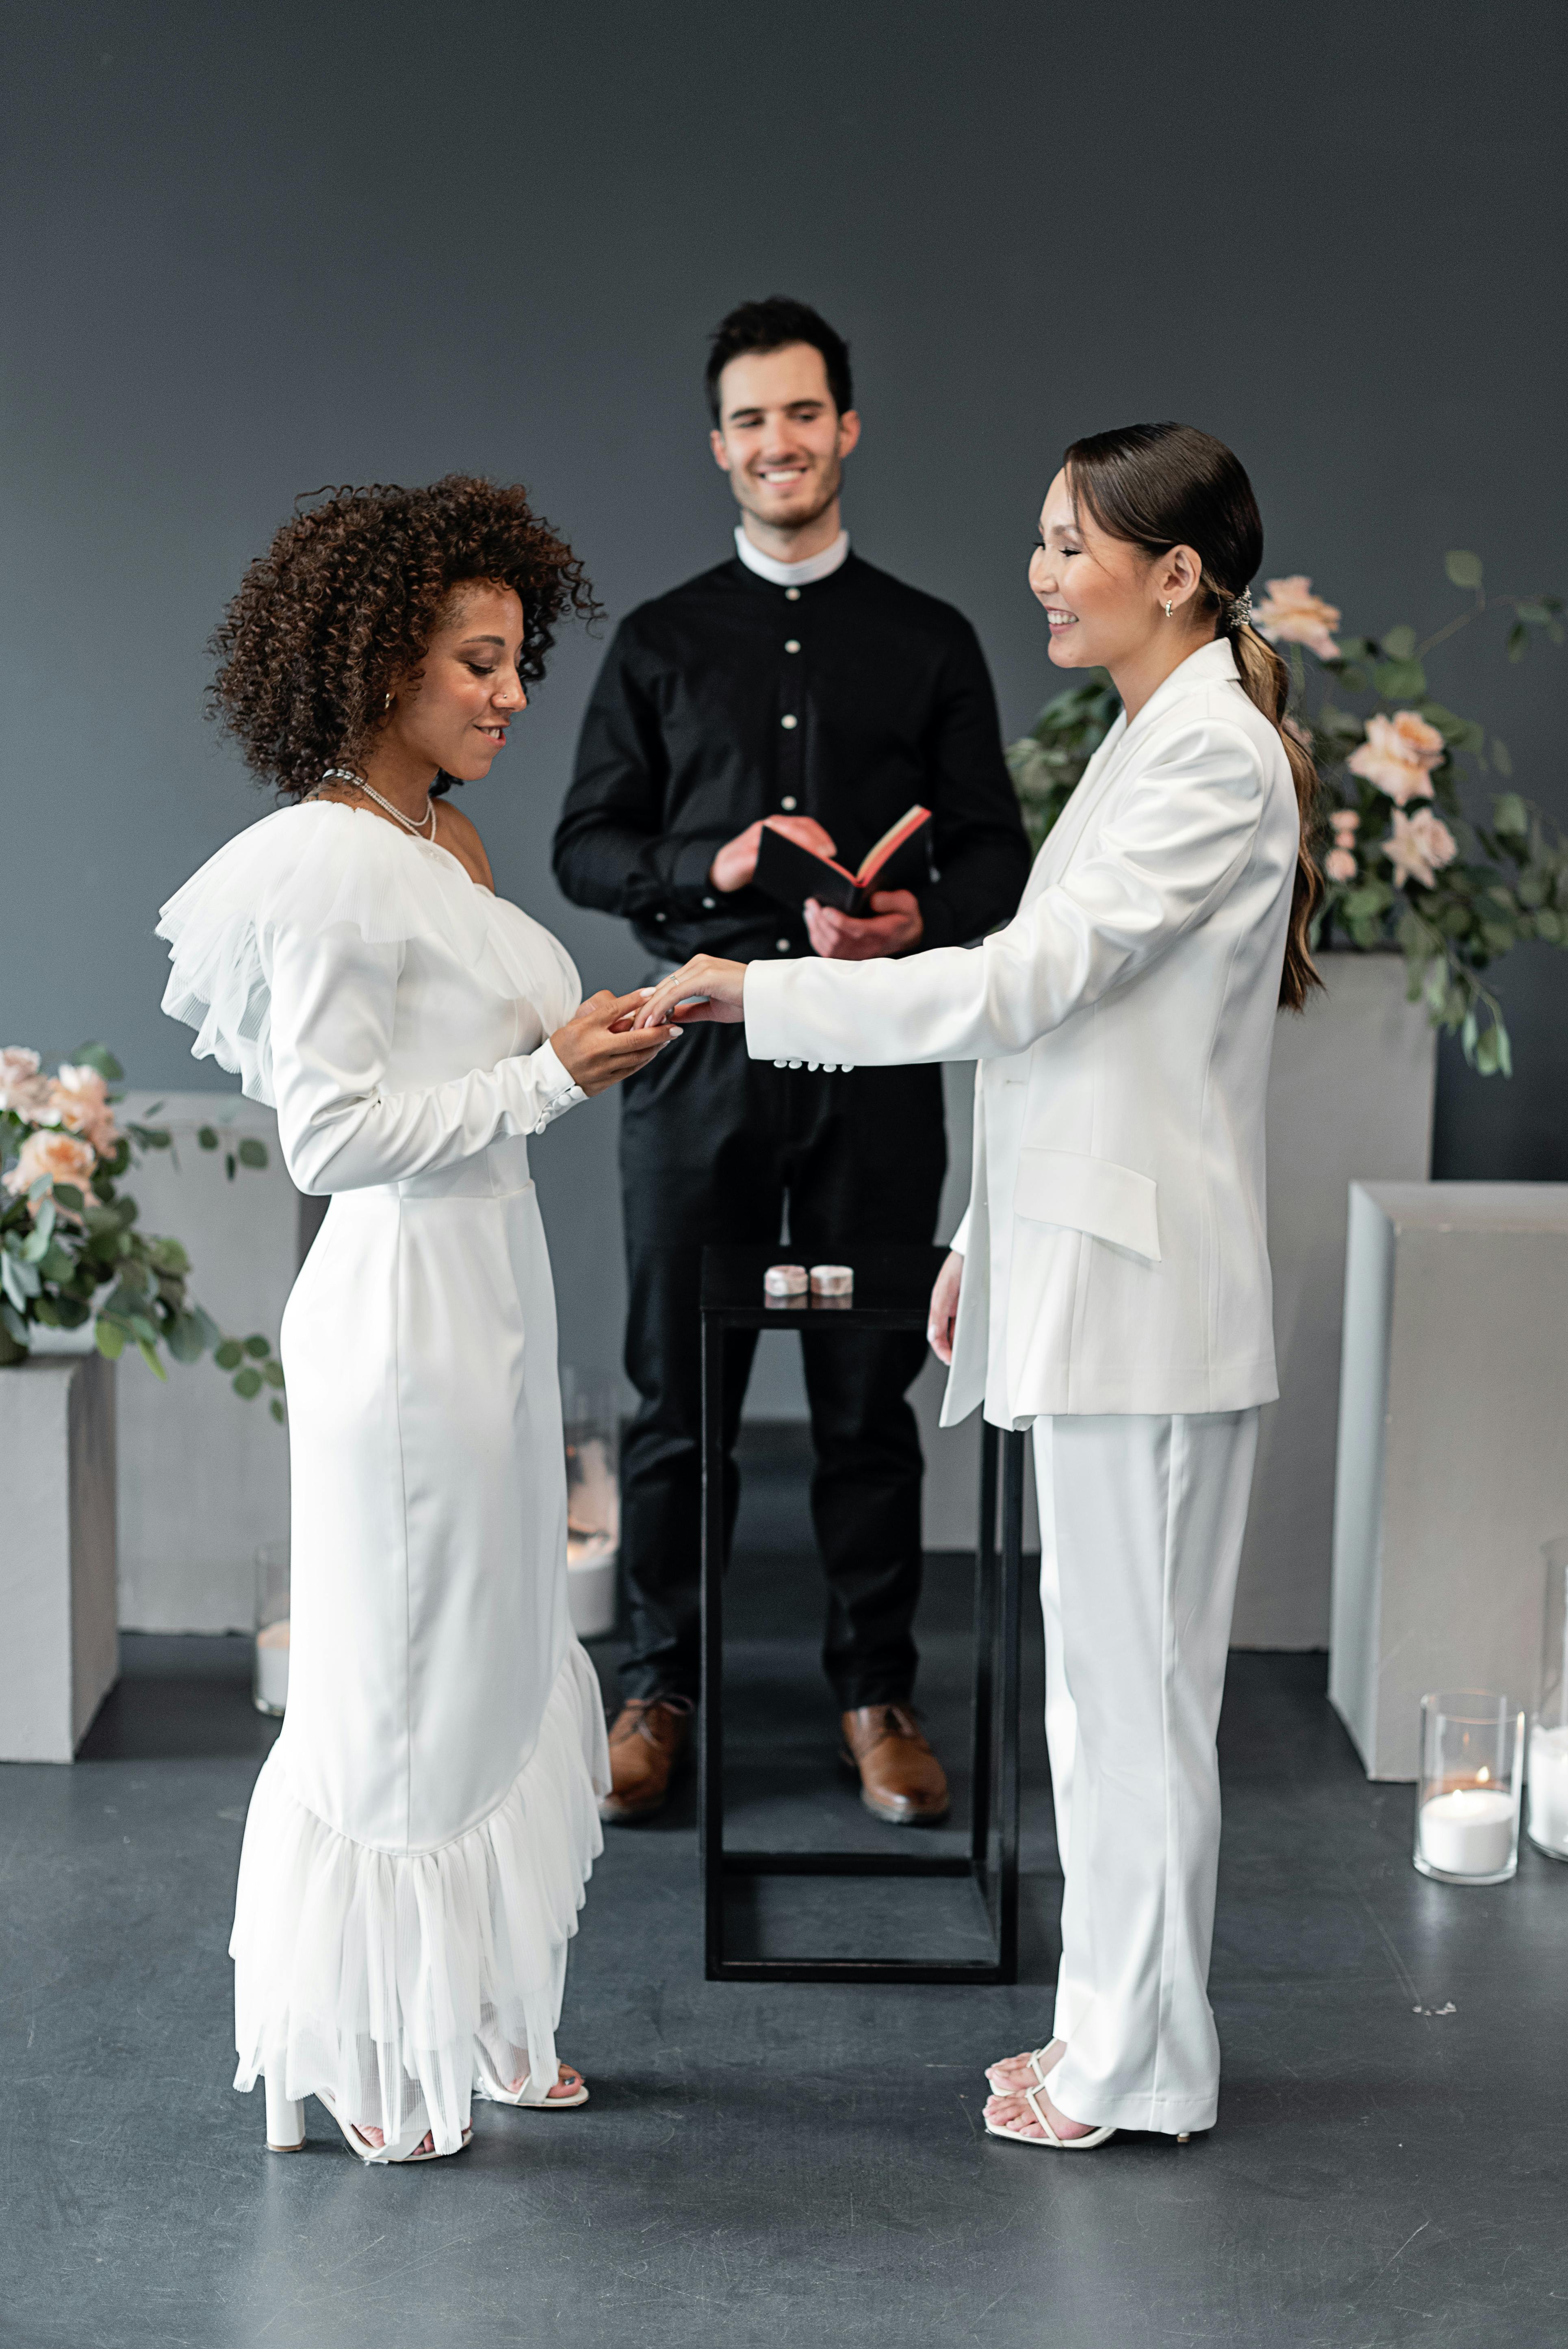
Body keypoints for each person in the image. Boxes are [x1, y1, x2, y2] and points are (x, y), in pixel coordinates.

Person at [635, 423, 1321, 2149]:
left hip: (1148, 1299)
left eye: (1064, 542)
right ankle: (1115, 2045)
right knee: (1100, 1702)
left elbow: (1023, 993)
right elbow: (1080, 1042)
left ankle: (1135, 2068)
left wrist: (762, 995)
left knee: (1131, 1711)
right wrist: (975, 1240)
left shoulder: (1208, 758)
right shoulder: (1148, 736)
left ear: (1173, 570)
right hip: (1094, 1271)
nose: (1035, 572)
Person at [158, 477, 680, 2163]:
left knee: (502, 1650)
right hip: (397, 1314)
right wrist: (546, 1073)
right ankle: (378, 2056)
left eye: (517, 660)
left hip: (490, 1291)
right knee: (394, 1686)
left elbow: (464, 1066)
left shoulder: (437, 840)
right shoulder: (320, 866)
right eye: (478, 662)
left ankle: (481, 2007)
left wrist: (571, 1049)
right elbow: (328, 1141)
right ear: (383, 662)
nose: (510, 696)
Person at [553, 297, 1031, 1826]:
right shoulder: (659, 640)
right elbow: (584, 849)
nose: (780, 442)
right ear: (720, 445)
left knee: (865, 1394)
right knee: (672, 1400)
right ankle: (656, 1694)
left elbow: (999, 865)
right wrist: (722, 855)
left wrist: (915, 920)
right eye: (752, 420)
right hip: (694, 1062)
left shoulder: (930, 637)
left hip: (877, 1065)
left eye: (804, 414)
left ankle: (872, 1693)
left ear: (847, 429)